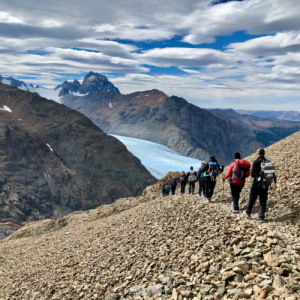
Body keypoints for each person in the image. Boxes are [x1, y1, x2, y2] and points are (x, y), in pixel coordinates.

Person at [245, 148, 269, 222]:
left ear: (258, 154)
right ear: (264, 154)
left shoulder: (256, 162)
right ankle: (261, 217)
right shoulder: (268, 162)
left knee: (252, 198)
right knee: (263, 200)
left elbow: (252, 175)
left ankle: (248, 213)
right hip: (265, 184)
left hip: (256, 183)